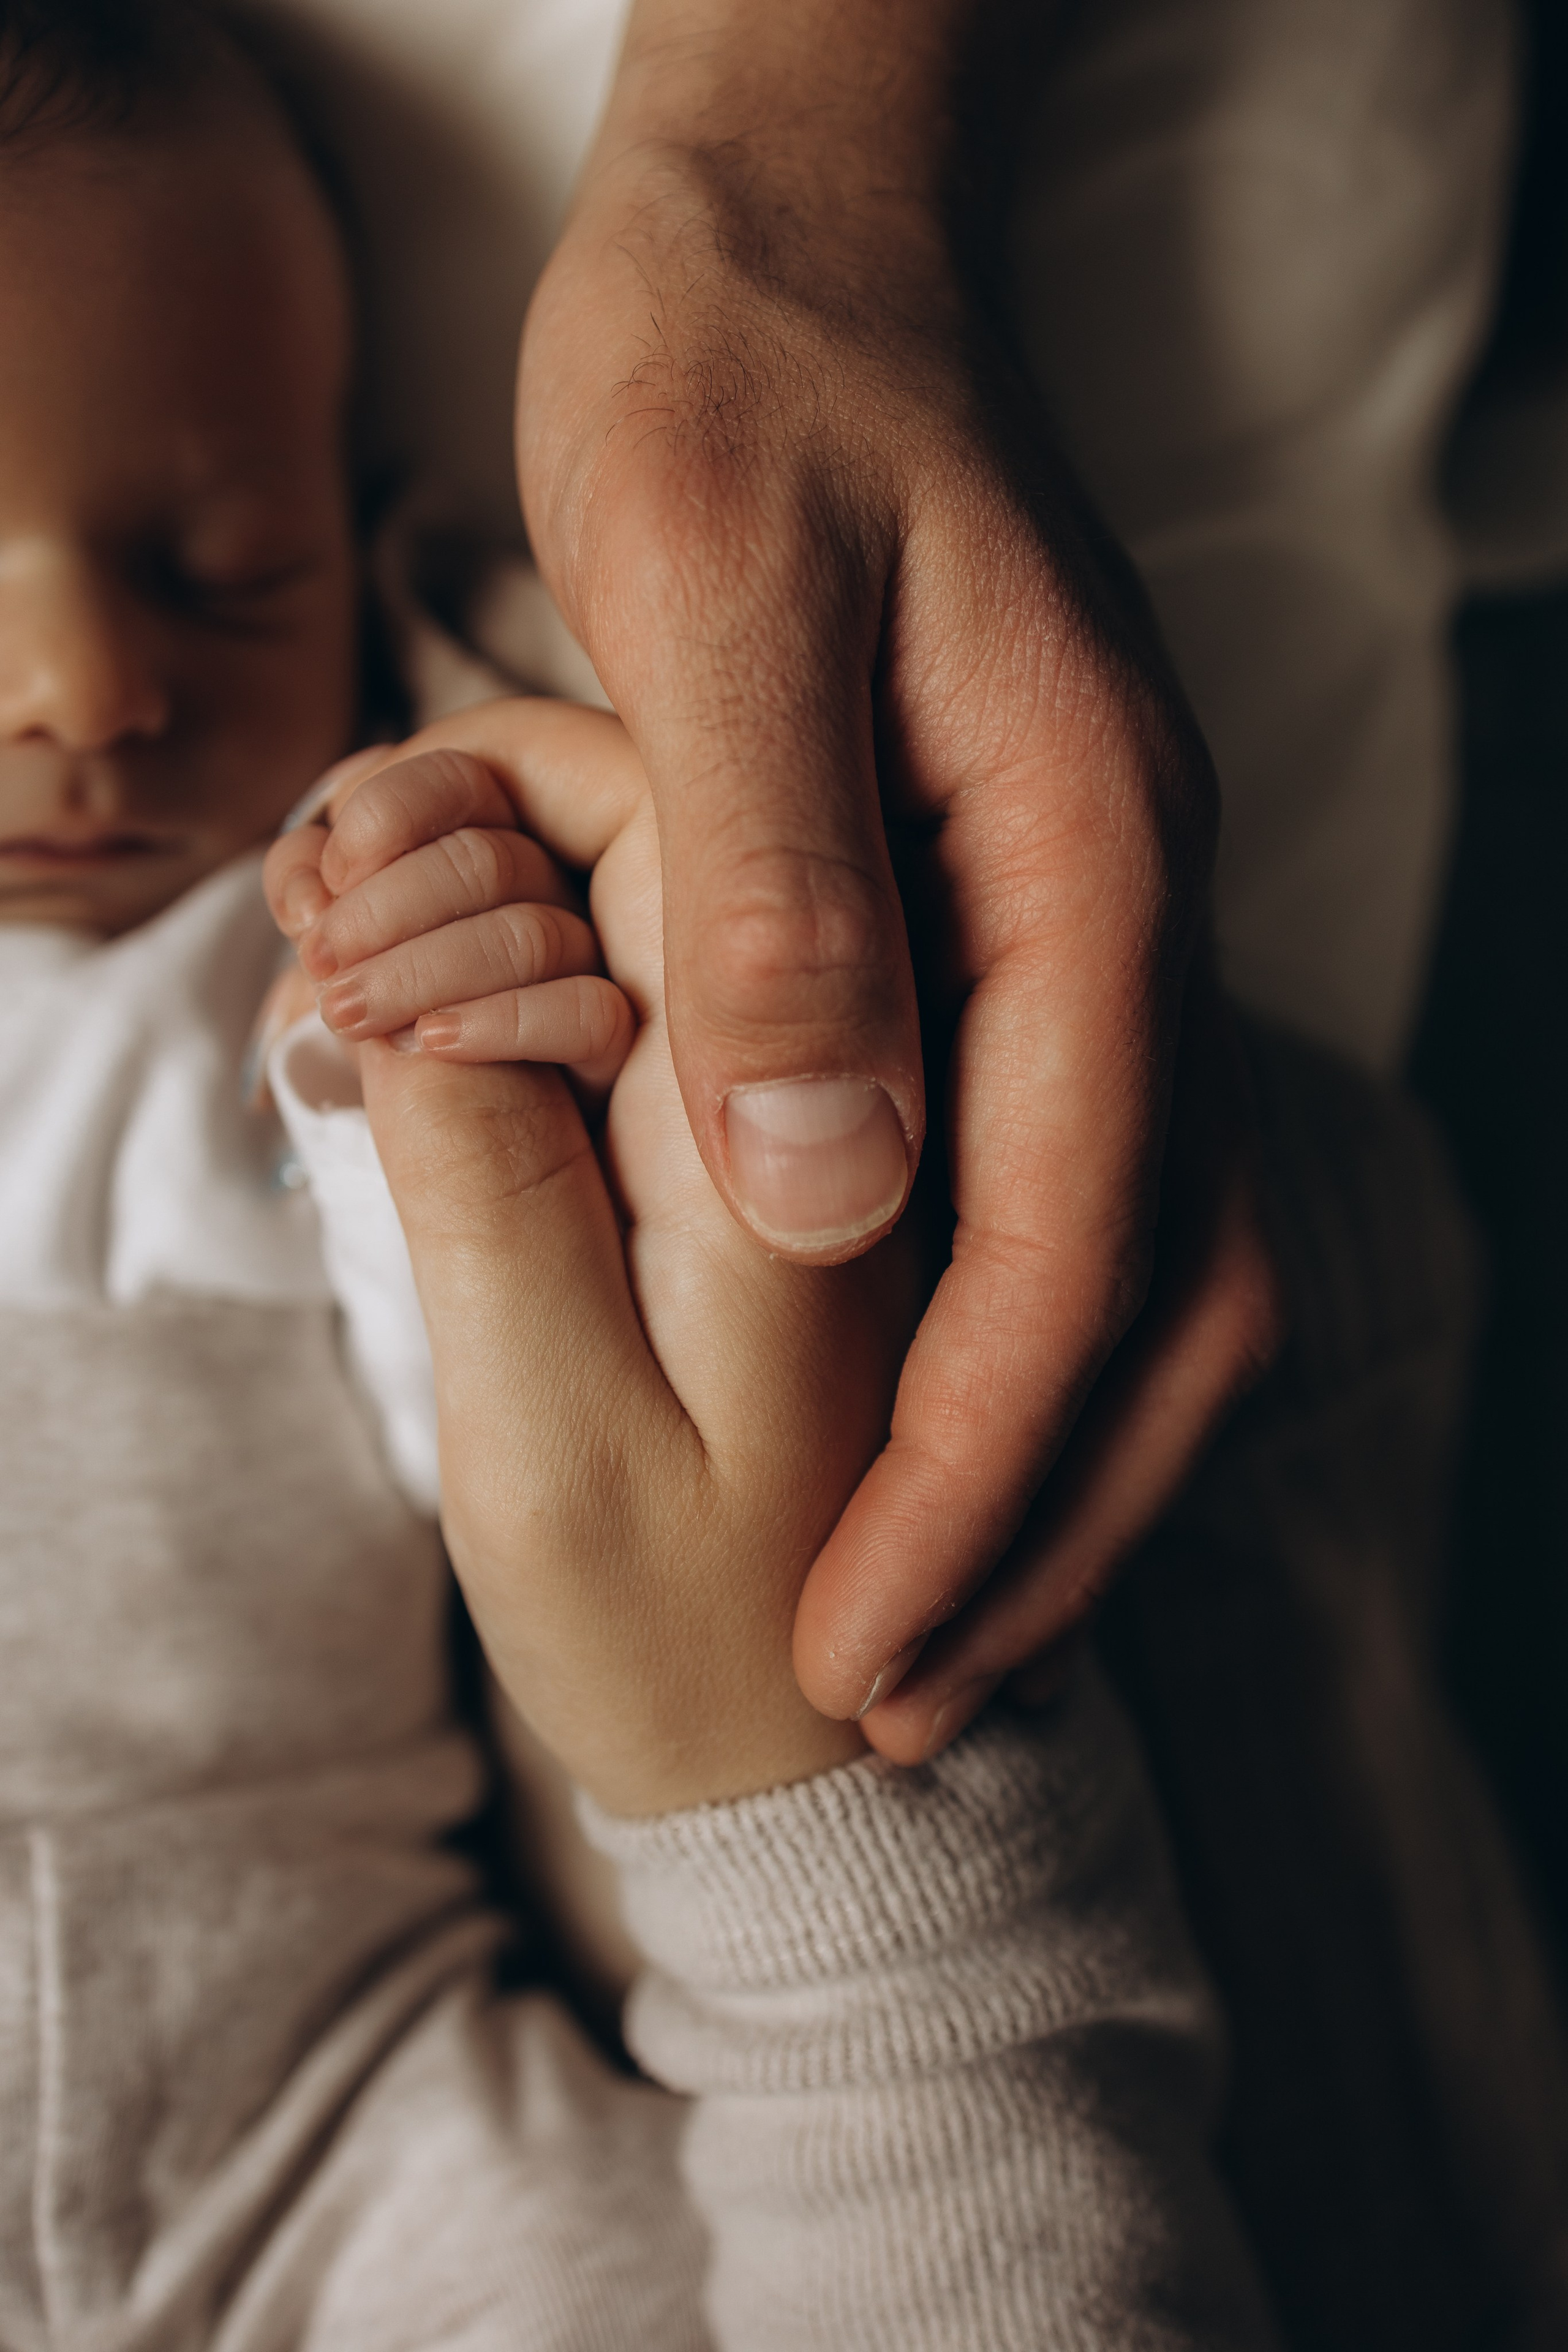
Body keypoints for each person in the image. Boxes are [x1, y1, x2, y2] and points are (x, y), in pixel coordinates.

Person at [0, 6, 1287, 2342]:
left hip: (348, 2105)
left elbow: (530, 1393)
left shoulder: (302, 915)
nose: (88, 681)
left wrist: (446, 1020)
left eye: (228, 565)